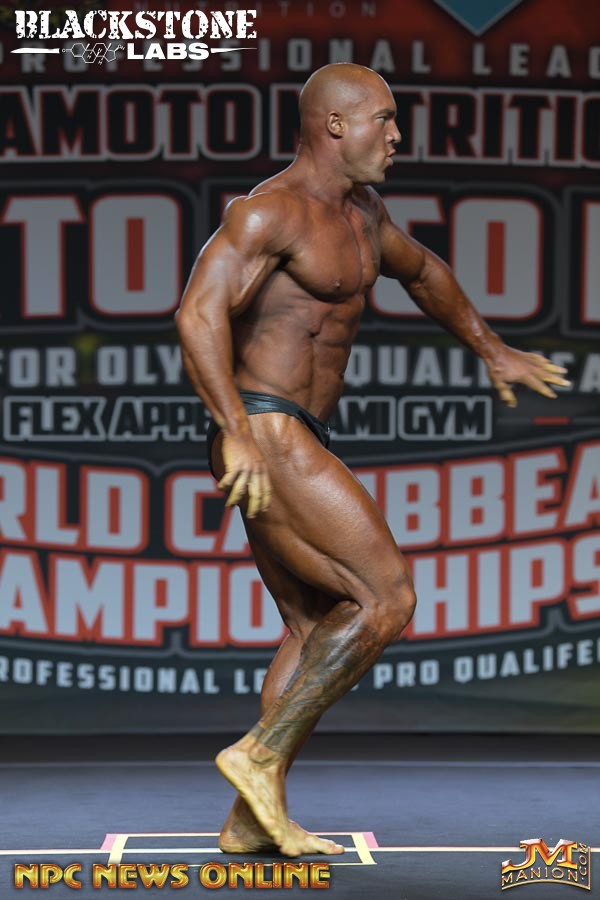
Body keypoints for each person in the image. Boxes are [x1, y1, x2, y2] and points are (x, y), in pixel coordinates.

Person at [175, 63, 569, 857]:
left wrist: (490, 349)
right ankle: (258, 755)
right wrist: (236, 430)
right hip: (266, 429)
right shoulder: (269, 212)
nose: (396, 136)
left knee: (314, 625)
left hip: (297, 432)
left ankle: (250, 818)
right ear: (335, 125)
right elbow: (197, 313)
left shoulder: (363, 213)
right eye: (383, 119)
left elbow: (422, 272)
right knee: (385, 597)